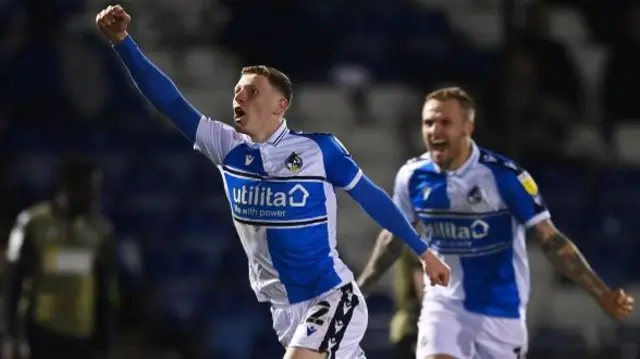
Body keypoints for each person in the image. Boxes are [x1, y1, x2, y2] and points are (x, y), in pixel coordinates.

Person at [94, 5, 451, 359]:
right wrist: (122, 42)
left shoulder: (318, 149)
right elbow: (168, 101)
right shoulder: (226, 147)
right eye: (236, 90)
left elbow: (372, 198)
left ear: (280, 105)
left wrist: (423, 252)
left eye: (251, 91)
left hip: (330, 296)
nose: (238, 96)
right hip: (282, 310)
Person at [357, 87, 635, 359]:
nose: (434, 131)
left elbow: (551, 240)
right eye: (428, 122)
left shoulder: (504, 176)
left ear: (468, 127)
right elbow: (392, 238)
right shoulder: (412, 176)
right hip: (443, 307)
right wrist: (359, 289)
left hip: (498, 313)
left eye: (445, 122)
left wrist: (601, 293)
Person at [2, 157, 115, 359]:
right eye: (89, 188)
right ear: (68, 187)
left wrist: (103, 342)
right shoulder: (33, 223)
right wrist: (11, 334)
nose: (94, 196)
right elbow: (13, 284)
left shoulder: (100, 231)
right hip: (40, 332)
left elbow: (103, 289)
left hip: (81, 336)